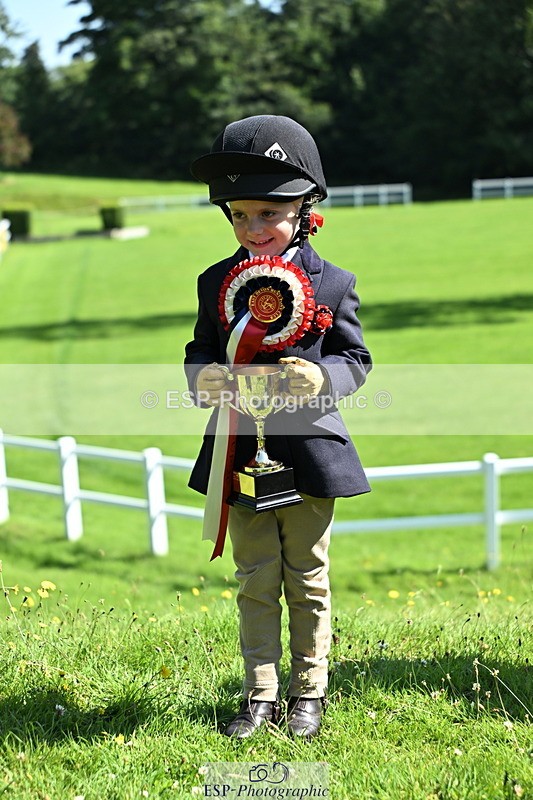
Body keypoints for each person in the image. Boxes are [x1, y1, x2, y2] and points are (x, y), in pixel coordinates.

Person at [185, 115, 372, 738]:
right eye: (240, 215)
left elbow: (355, 361)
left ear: (305, 208)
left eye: (269, 213)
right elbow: (200, 349)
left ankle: (309, 691)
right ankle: (260, 694)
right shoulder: (216, 282)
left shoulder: (335, 282)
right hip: (239, 449)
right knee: (256, 575)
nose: (253, 228)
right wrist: (202, 378)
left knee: (307, 575)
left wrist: (323, 380)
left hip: (311, 451)